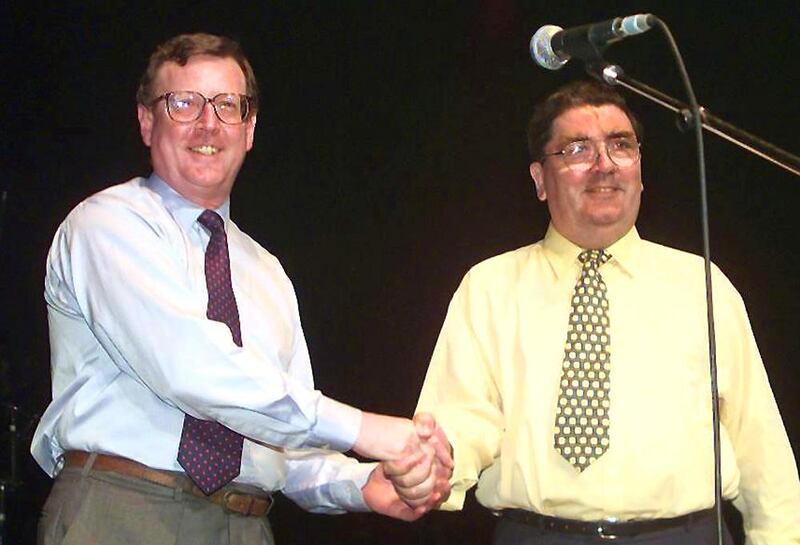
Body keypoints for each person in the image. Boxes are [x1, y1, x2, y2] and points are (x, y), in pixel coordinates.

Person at [30, 33, 450, 545]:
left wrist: (364, 484)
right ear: (146, 121)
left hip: (246, 525)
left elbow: (283, 442)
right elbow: (192, 368)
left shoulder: (267, 273)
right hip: (122, 513)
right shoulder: (106, 225)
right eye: (183, 103)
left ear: (249, 129)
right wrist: (369, 430)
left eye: (228, 106)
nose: (208, 123)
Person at [387, 80, 800, 543]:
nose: (604, 165)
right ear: (540, 181)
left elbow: (763, 454)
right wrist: (432, 467)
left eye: (621, 146)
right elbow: (461, 422)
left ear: (640, 170)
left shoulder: (703, 284)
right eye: (577, 149)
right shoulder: (489, 287)